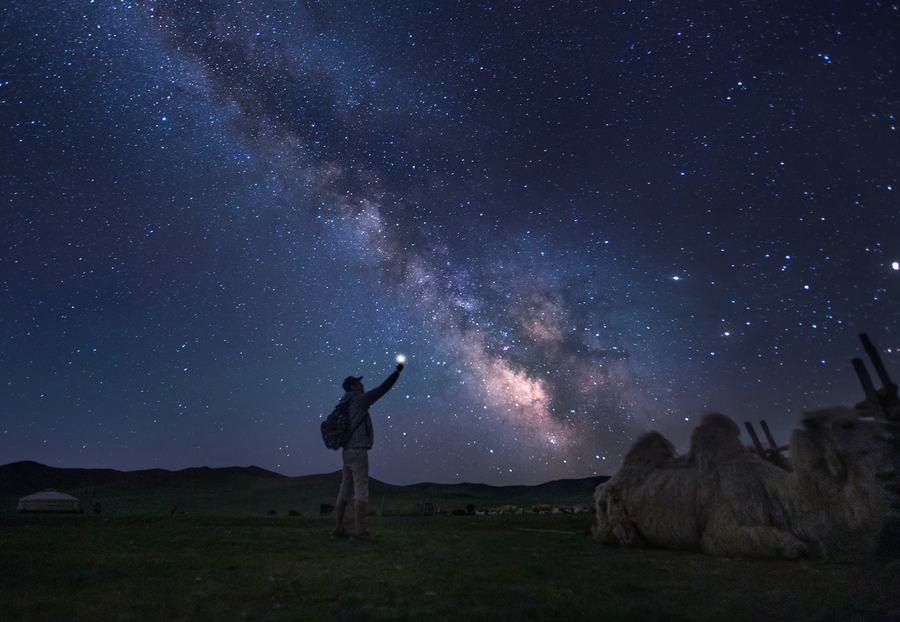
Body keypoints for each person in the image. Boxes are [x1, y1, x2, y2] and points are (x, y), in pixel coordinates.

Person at [332, 362, 403, 540]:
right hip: (358, 452)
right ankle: (359, 531)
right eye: (359, 383)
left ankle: (338, 528)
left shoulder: (343, 404)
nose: (363, 385)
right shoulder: (359, 400)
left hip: (346, 452)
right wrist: (396, 372)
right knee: (361, 490)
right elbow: (381, 389)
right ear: (353, 386)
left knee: (345, 489)